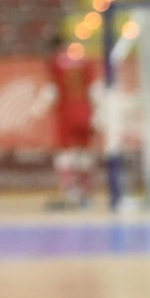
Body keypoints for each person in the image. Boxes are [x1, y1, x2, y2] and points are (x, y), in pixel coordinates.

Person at [47, 36, 99, 209]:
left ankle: (71, 193)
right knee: (84, 154)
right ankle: (85, 195)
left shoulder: (55, 63)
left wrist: (37, 108)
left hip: (66, 113)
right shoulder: (85, 62)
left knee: (66, 155)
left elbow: (52, 92)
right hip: (85, 112)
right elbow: (94, 91)